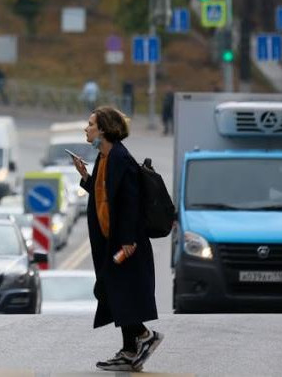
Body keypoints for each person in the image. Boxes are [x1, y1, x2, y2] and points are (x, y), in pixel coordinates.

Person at [71, 107, 162, 372]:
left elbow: (129, 203)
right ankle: (130, 350)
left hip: (125, 243)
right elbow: (104, 196)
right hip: (110, 241)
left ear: (103, 130)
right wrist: (85, 177)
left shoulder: (120, 158)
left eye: (90, 124)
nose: (86, 129)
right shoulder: (104, 156)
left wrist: (128, 240)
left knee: (112, 291)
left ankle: (144, 336)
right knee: (118, 294)